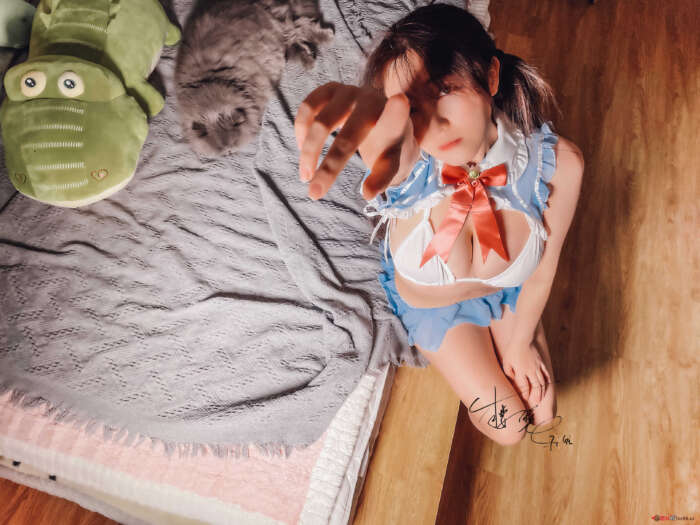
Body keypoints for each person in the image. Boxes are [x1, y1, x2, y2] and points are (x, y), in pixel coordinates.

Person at [294, 3, 584, 445]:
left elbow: (544, 271)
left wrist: (521, 342)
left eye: (444, 88)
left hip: (510, 290)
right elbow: (389, 155)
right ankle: (482, 358)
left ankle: (507, 333)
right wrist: (371, 124)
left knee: (546, 415)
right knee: (510, 428)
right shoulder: (408, 168)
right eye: (411, 107)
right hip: (436, 311)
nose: (433, 123)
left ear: (490, 76)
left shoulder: (559, 165)